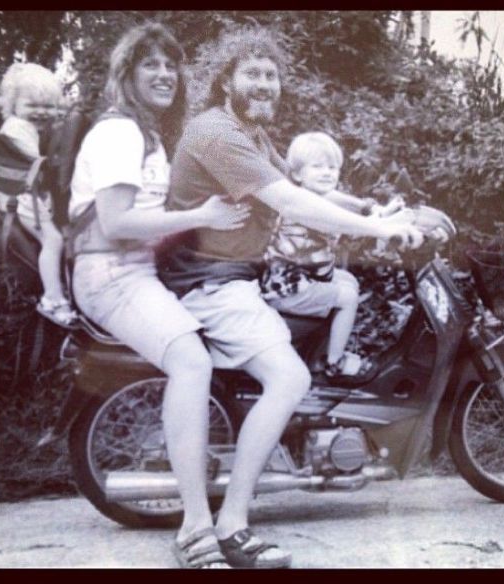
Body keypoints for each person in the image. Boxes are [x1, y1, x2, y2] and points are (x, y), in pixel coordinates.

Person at [159, 27, 424, 569]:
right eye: (252, 74)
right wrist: (379, 232)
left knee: (330, 303)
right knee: (290, 378)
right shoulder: (217, 133)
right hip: (211, 284)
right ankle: (231, 524)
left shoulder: (251, 135)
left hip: (236, 278)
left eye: (271, 75)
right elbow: (291, 204)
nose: (264, 84)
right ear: (226, 81)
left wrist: (372, 211)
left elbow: (304, 189)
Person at [68, 22, 250, 569]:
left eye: (171, 65)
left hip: (138, 270)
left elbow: (153, 217)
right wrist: (202, 217)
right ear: (126, 74)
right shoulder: (119, 133)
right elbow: (118, 223)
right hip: (112, 274)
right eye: (151, 64)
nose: (165, 74)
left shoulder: (146, 135)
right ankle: (195, 528)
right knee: (191, 361)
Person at [260, 131, 402, 380]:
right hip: (287, 288)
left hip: (298, 278)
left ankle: (318, 350)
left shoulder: (312, 195)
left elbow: (340, 201)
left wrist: (376, 210)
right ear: (297, 175)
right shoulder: (306, 209)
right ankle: (334, 362)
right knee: (347, 297)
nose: (327, 173)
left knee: (348, 280)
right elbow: (347, 226)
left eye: (332, 167)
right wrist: (381, 224)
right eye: (318, 167)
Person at [0, 63, 77, 326]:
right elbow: (33, 165)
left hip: (22, 193)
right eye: (32, 105)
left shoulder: (23, 126)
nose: (41, 112)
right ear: (13, 105)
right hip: (20, 196)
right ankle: (53, 298)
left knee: (54, 237)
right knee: (52, 239)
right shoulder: (17, 129)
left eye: (48, 106)